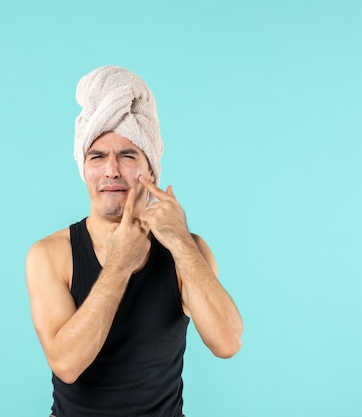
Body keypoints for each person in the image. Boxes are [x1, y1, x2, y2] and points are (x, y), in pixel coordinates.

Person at [26, 65, 243, 417]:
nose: (111, 170)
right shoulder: (50, 254)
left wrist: (181, 244)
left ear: (152, 171)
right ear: (84, 170)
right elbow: (66, 364)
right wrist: (119, 265)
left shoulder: (188, 250)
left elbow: (228, 342)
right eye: (97, 157)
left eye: (127, 156)